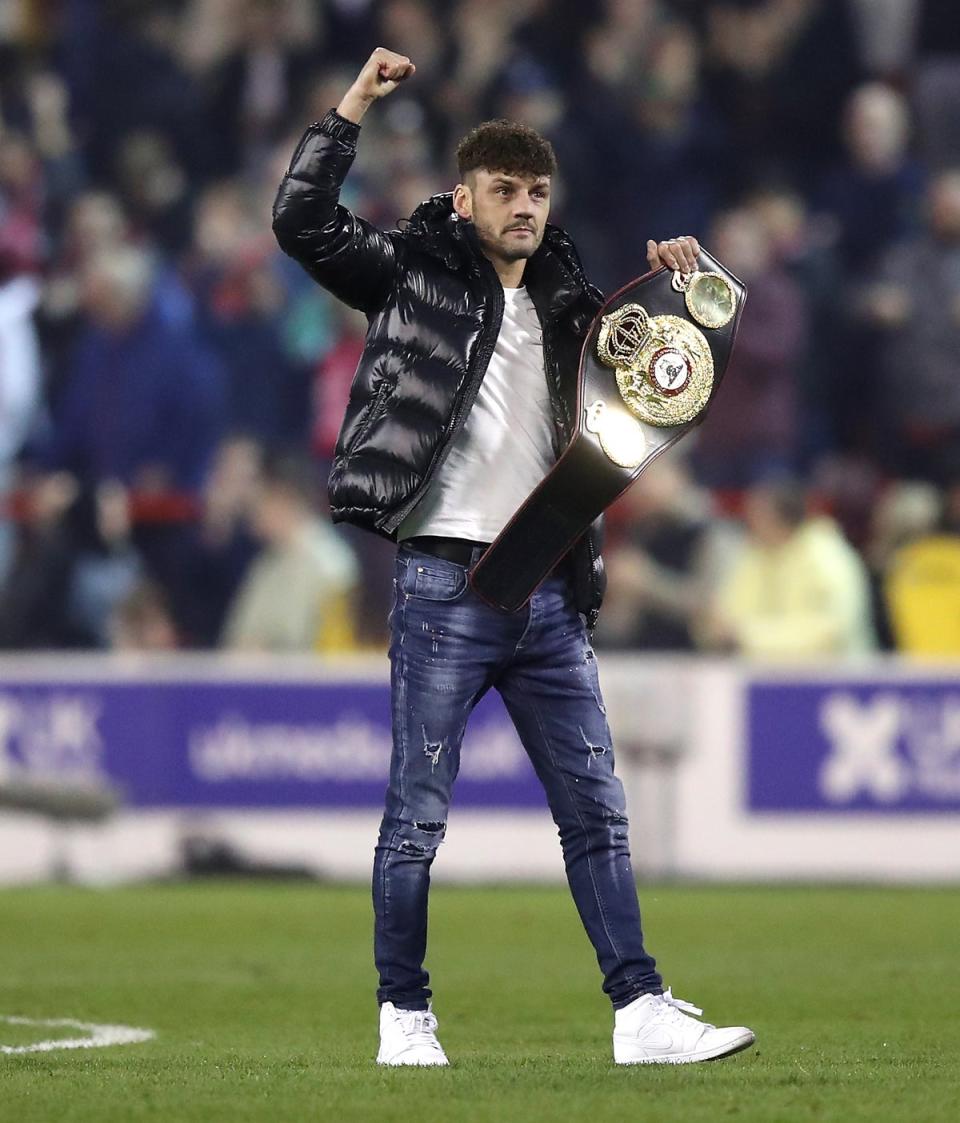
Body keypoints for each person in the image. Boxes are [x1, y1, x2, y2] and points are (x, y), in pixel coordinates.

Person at [272, 47, 754, 1067]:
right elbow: (300, 221)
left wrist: (688, 290)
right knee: (417, 817)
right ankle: (404, 1017)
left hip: (546, 588)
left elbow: (669, 381)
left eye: (537, 190)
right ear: (464, 195)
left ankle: (641, 1011)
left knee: (597, 814)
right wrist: (354, 104)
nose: (525, 206)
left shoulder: (575, 301)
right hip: (442, 582)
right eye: (505, 189)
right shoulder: (408, 272)